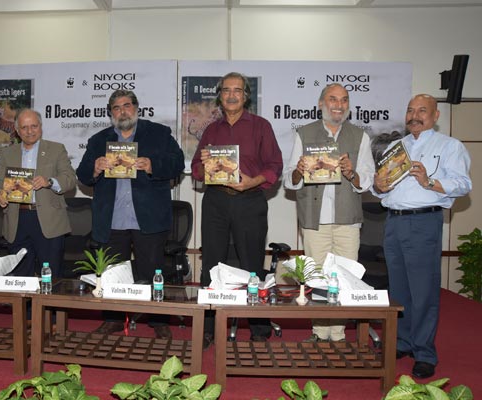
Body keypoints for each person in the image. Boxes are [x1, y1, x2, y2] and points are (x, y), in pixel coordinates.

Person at [373, 94, 472, 379]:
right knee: (399, 290)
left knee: (423, 291)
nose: (414, 116)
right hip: (393, 222)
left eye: (422, 111)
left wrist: (429, 181)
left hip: (424, 221)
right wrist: (378, 185)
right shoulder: (395, 147)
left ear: (435, 116)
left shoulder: (449, 146)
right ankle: (402, 342)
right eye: (410, 110)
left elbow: (463, 184)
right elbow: (381, 190)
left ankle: (425, 352)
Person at [77, 89, 185, 339]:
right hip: (112, 219)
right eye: (116, 108)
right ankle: (114, 319)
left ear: (136, 108)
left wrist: (153, 165)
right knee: (113, 274)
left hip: (148, 217)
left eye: (127, 105)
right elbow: (82, 174)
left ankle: (158, 319)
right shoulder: (98, 140)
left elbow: (177, 163)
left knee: (153, 272)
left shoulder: (158, 133)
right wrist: (95, 168)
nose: (122, 111)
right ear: (111, 113)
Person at [191, 72, 283, 348]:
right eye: (226, 90)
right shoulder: (211, 130)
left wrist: (253, 181)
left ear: (246, 96)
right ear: (220, 96)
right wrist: (205, 166)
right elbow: (195, 169)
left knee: (252, 264)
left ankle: (258, 327)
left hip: (250, 200)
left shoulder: (261, 126)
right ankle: (209, 328)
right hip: (216, 201)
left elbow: (275, 166)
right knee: (211, 266)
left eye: (237, 91)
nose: (231, 95)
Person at [283, 83, 375, 343]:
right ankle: (320, 332)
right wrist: (299, 170)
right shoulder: (304, 133)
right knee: (317, 278)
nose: (339, 105)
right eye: (333, 99)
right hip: (315, 220)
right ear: (321, 104)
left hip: (348, 220)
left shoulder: (360, 136)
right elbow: (289, 180)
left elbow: (367, 181)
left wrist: (351, 173)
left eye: (344, 100)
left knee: (345, 276)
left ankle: (338, 333)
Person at [0, 109, 77, 279]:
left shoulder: (56, 149)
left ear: (41, 127)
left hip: (49, 221)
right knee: (20, 278)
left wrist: (49, 181)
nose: (29, 131)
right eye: (24, 127)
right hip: (17, 220)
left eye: (34, 126)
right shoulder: (8, 153)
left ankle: (51, 298)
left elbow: (70, 179)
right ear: (17, 130)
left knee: (51, 277)